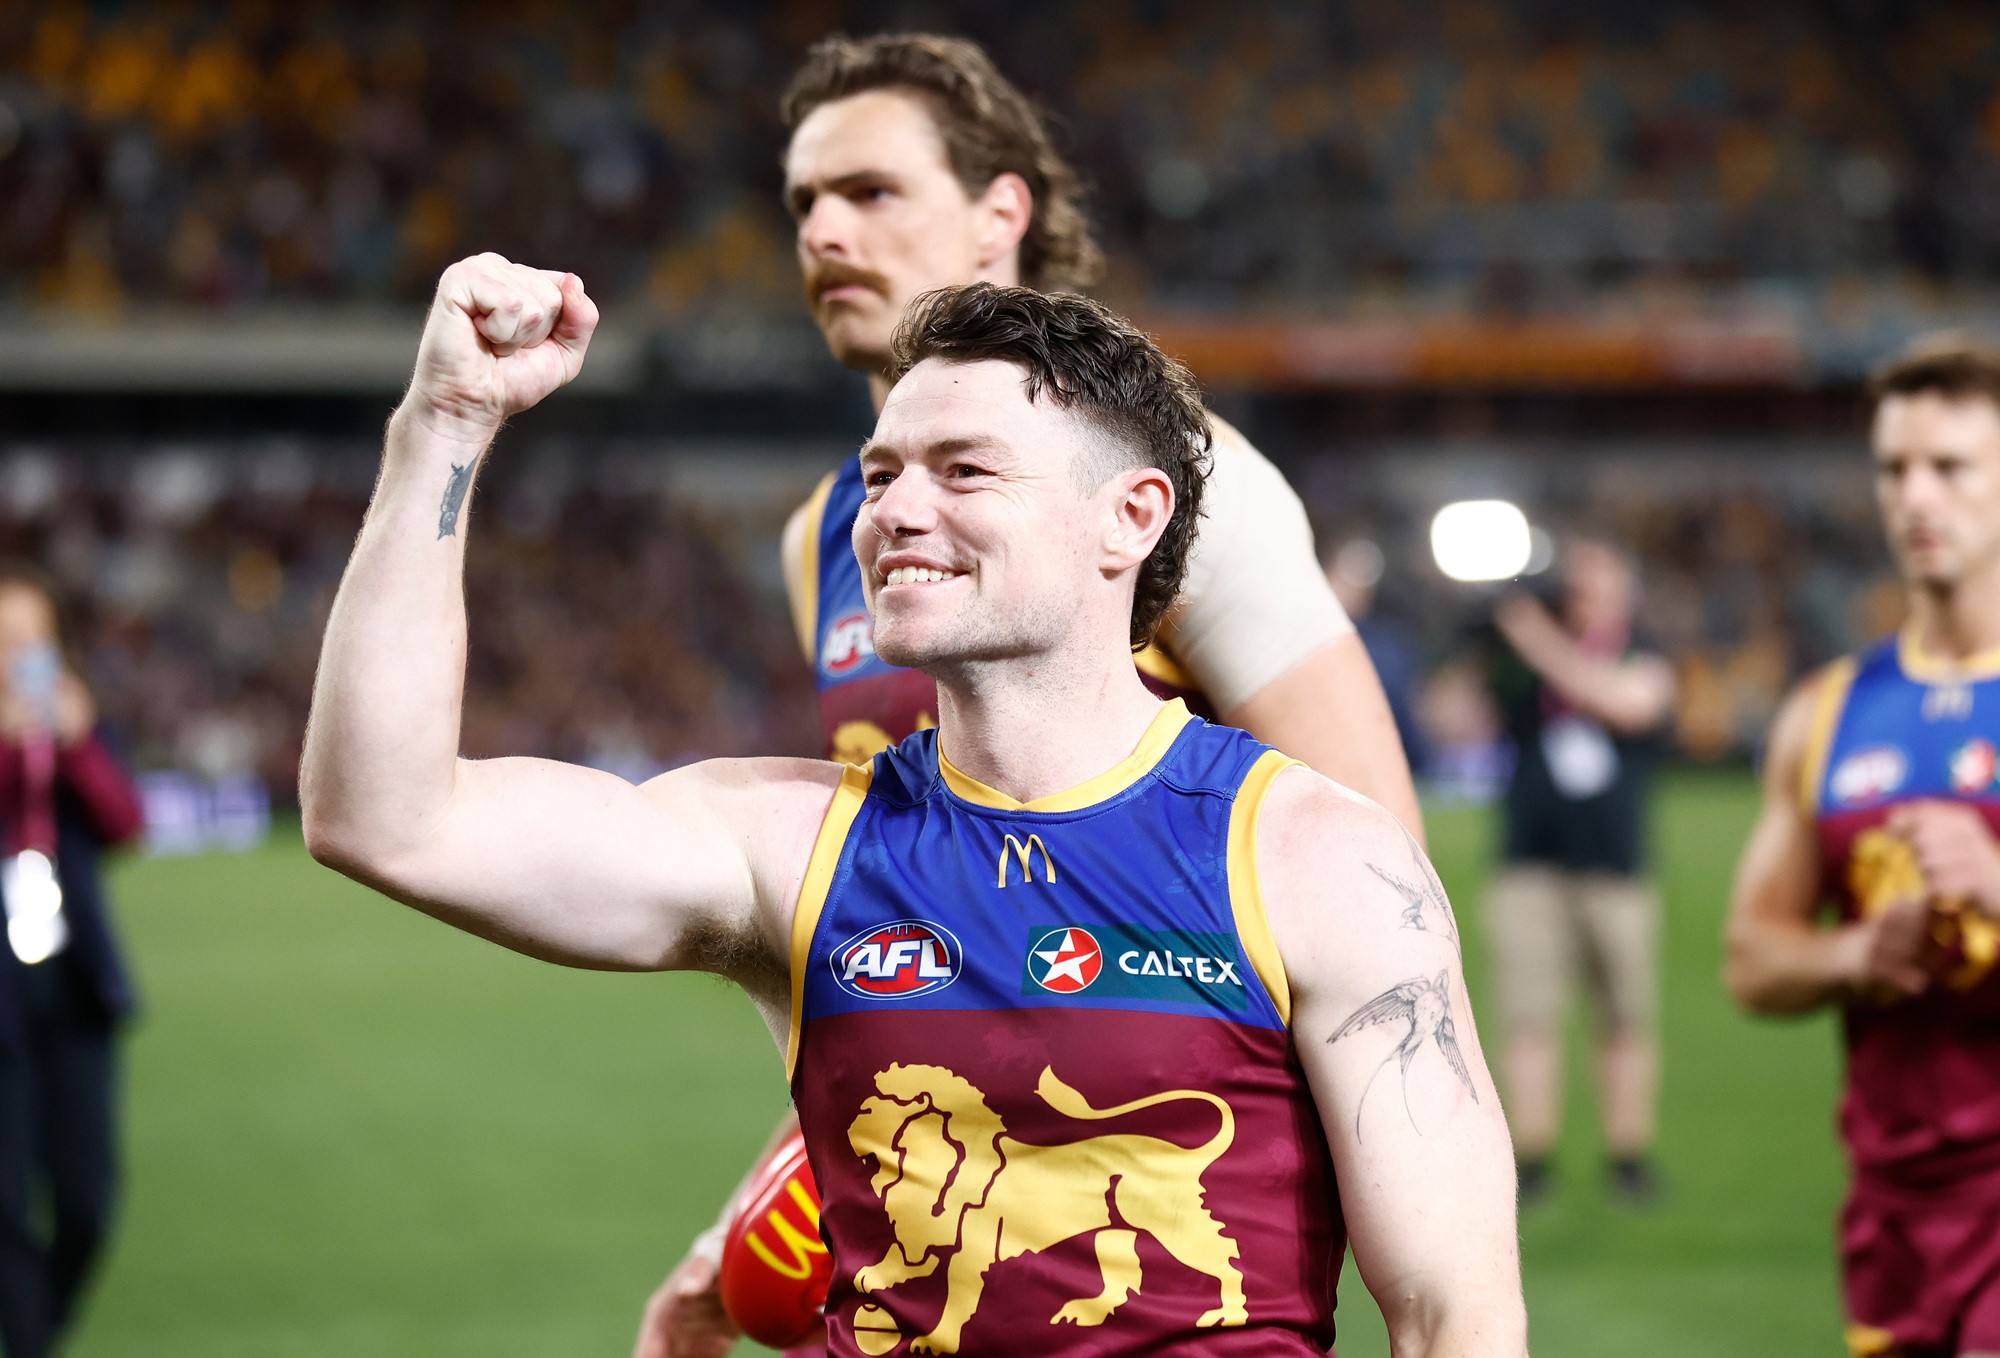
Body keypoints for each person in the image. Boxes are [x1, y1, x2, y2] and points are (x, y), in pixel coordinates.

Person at [301, 262, 1525, 1356]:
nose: (889, 510)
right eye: (880, 473)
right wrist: (445, 423)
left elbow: (1453, 1317)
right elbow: (385, 816)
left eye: (963, 470)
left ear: (1130, 517)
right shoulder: (787, 842)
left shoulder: (1316, 857)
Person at [642, 36, 1422, 1352]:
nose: (823, 230)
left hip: (1183, 1156)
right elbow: (885, 936)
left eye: (871, 192)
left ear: (1002, 212)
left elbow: (1381, 868)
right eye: (802, 205)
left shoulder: (1179, 488)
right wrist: (750, 1210)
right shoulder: (828, 537)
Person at [1725, 335, 2000, 1358]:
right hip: (1892, 1213)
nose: (1914, 496)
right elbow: (1750, 955)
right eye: (1893, 469)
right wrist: (1853, 954)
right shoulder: (1827, 712)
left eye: (1950, 467)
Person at [1483, 541, 1676, 1206]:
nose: (1584, 599)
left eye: (1600, 587)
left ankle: (1628, 1151)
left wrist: (1535, 637)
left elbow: (1629, 705)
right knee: (1529, 1014)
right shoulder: (1522, 660)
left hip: (1615, 862)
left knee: (1624, 1014)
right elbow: (1461, 712)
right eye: (1578, 587)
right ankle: (1532, 1154)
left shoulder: (1642, 650)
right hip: (1529, 860)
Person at [0, 571, 146, 1358]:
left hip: (74, 983)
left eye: (32, 640)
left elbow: (126, 823)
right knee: (6, 1207)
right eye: (4, 641)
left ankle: (36, 1333)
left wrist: (76, 745)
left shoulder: (77, 726)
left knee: (87, 1204)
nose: (18, 656)